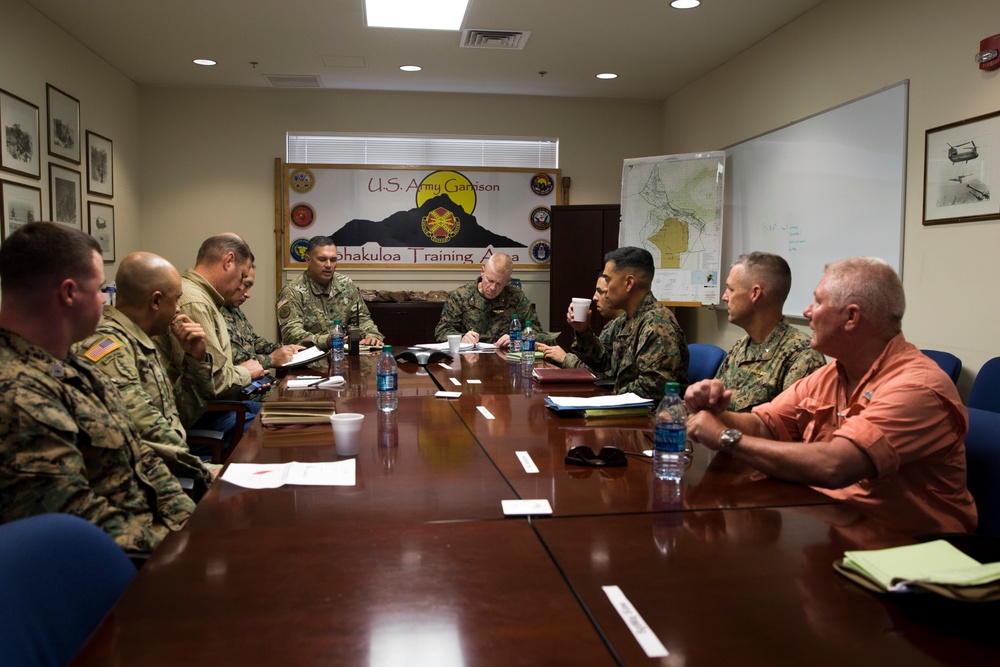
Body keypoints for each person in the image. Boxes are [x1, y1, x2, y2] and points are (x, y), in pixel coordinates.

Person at [685, 257, 976, 535]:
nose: (808, 311)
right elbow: (765, 425)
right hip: (836, 522)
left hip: (909, 548)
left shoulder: (917, 387)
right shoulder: (835, 373)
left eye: (819, 302)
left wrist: (725, 437)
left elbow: (836, 465)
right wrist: (716, 413)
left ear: (851, 317)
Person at [0, 222, 194, 554]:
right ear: (69, 293)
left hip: (155, 537)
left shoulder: (75, 367)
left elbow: (142, 458)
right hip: (119, 568)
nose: (107, 301)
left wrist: (192, 523)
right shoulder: (18, 395)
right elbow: (75, 524)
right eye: (101, 289)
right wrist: (180, 551)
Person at [76, 252, 217, 495]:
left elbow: (179, 416)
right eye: (176, 300)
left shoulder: (140, 343)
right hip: (148, 485)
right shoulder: (112, 350)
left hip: (171, 471)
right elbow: (148, 434)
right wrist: (205, 472)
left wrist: (195, 361)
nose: (179, 308)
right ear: (155, 301)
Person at [154, 233, 266, 430]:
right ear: (228, 261)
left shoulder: (206, 298)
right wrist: (246, 373)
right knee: (274, 429)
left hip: (213, 407)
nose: (242, 286)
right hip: (199, 415)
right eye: (242, 276)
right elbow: (212, 383)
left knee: (280, 412)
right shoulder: (195, 302)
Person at [566, 246, 688, 402]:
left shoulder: (656, 324)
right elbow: (604, 363)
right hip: (627, 411)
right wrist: (583, 330)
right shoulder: (625, 320)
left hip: (651, 419)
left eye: (608, 280)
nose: (605, 288)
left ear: (629, 283)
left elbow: (654, 387)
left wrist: (607, 399)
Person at [715, 252, 826, 411]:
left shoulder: (803, 356)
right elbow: (715, 401)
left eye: (730, 289)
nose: (724, 297)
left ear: (755, 294)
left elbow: (788, 428)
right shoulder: (742, 346)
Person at [277, 236, 383, 350]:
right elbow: (291, 335)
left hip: (343, 357)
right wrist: (327, 340)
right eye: (322, 259)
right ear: (308, 260)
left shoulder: (346, 285)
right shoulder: (293, 291)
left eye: (333, 260)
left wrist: (371, 335)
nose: (328, 265)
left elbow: (362, 319)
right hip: (308, 361)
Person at [434, 253, 556, 348]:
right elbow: (441, 331)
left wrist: (517, 338)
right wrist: (462, 338)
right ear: (482, 272)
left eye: (499, 284)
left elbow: (537, 332)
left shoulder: (516, 298)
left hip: (505, 360)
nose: (493, 288)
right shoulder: (460, 296)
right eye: (490, 280)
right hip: (469, 360)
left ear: (508, 281)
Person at [537, 275, 623, 374]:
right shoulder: (614, 324)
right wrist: (582, 330)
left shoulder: (634, 323)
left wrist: (564, 358)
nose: (594, 297)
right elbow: (599, 363)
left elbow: (603, 373)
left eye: (600, 291)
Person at [225, 266, 303, 371]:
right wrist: (270, 359)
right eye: (245, 285)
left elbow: (253, 341)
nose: (248, 294)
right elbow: (236, 360)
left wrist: (283, 349)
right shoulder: (215, 311)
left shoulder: (234, 310)